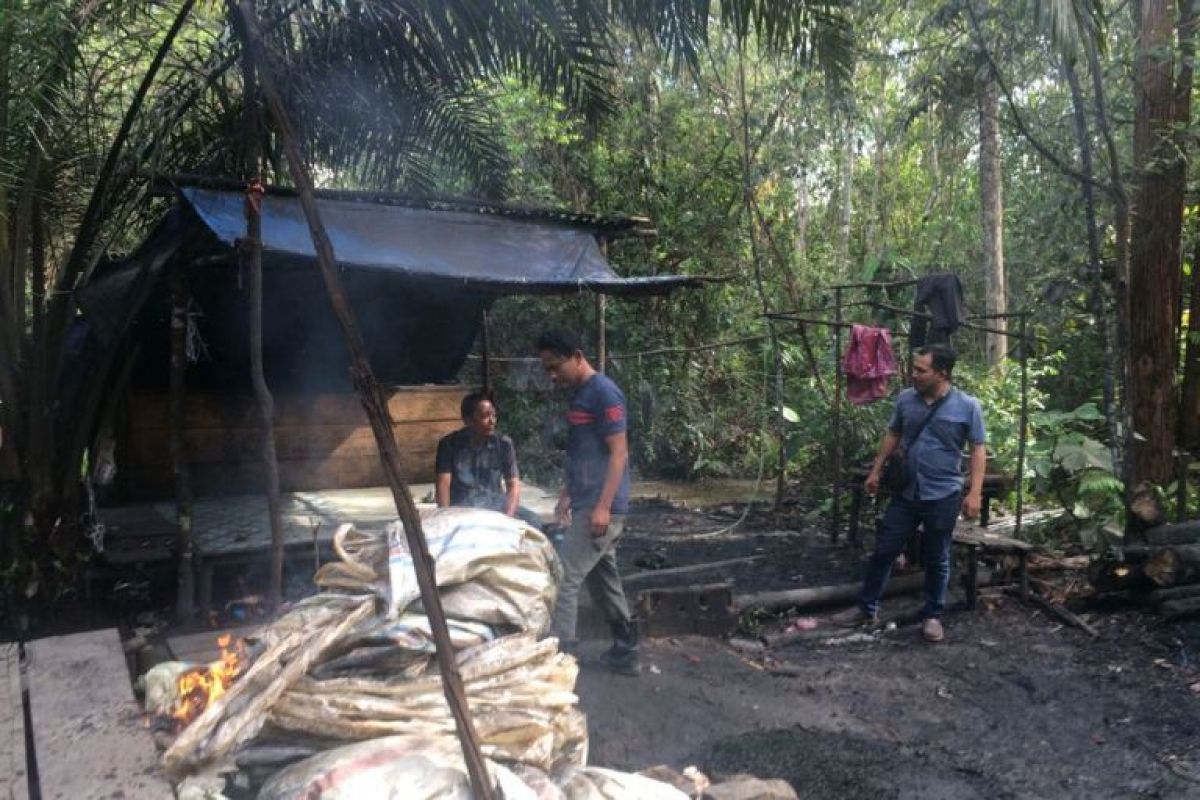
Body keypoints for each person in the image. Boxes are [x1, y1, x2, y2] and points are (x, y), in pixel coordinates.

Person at [832, 344, 986, 643]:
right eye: (914, 368)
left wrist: (975, 492)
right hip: (906, 492)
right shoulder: (906, 400)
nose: (913, 374)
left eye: (920, 370)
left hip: (943, 493)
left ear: (941, 373)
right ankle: (866, 608)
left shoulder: (968, 406)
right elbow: (893, 434)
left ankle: (932, 616)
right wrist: (876, 471)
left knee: (937, 555)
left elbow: (978, 448)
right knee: (885, 549)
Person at [536, 329, 638, 675]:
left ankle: (561, 658)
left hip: (602, 505)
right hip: (585, 501)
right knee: (602, 578)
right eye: (547, 369)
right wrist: (567, 493)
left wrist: (604, 507)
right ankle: (626, 649)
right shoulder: (579, 393)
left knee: (564, 577)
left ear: (577, 355)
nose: (552, 376)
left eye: (555, 366)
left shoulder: (603, 393)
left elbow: (618, 452)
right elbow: (581, 451)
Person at [435, 392, 542, 530]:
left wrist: (508, 517)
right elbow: (443, 484)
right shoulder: (449, 444)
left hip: (495, 504)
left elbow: (513, 485)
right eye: (485, 416)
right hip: (463, 508)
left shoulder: (503, 444)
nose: (492, 421)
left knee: (534, 521)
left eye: (494, 415)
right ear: (468, 420)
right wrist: (446, 516)